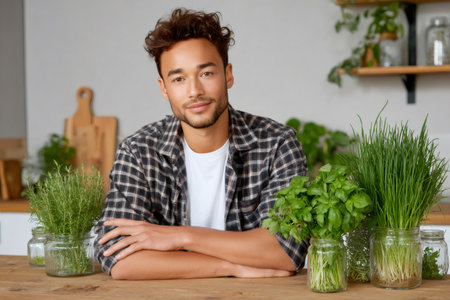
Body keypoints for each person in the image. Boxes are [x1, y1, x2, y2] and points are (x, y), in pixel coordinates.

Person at [94, 7, 309, 280]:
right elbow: (118, 257)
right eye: (179, 79)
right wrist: (230, 267)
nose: (194, 91)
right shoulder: (138, 152)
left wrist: (180, 237)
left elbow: (285, 250)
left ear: (228, 75)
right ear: (164, 88)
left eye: (206, 73)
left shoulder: (277, 144)